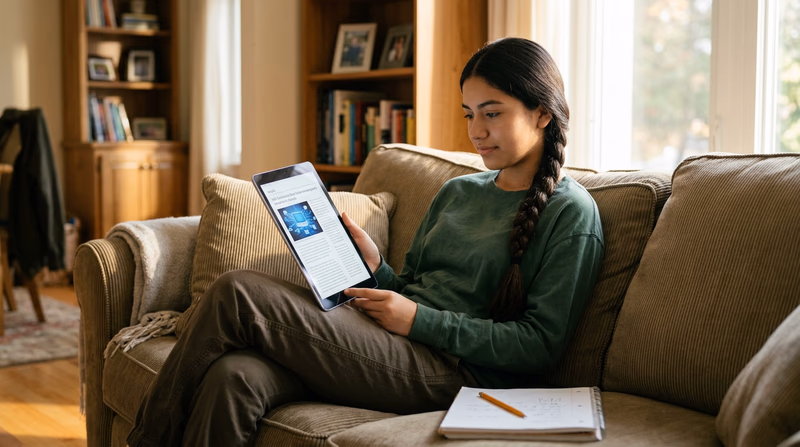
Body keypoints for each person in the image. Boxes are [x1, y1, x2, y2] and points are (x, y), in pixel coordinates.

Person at [126, 37, 604, 447]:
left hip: (460, 374)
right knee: (233, 376)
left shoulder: (570, 213)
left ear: (542, 113)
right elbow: (414, 287)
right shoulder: (459, 191)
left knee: (237, 292)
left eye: (492, 113)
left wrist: (417, 320)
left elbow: (539, 346)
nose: (476, 131)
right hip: (394, 344)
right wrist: (376, 267)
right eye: (469, 114)